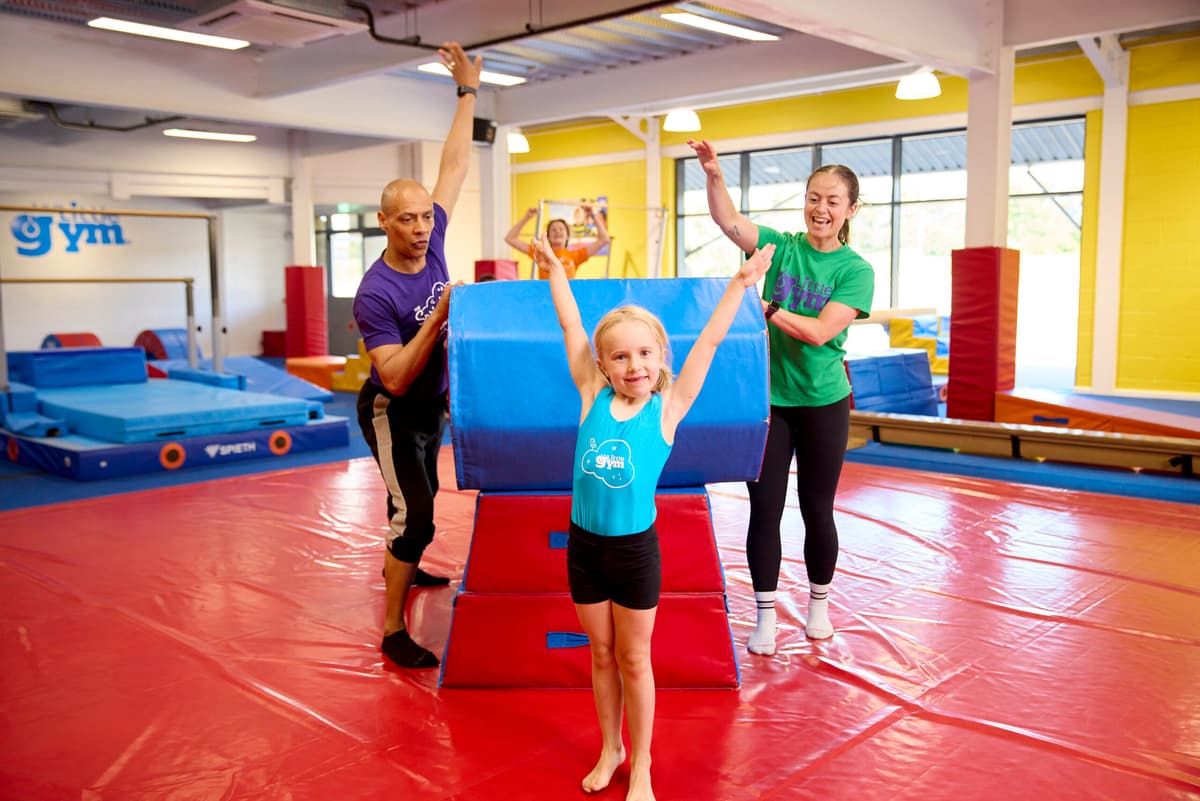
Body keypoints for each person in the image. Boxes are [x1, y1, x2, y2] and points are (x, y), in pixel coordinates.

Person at [532, 235, 774, 800]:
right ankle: (610, 748)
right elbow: (570, 325)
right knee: (600, 654)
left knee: (633, 657)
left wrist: (740, 285)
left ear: (661, 356)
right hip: (584, 549)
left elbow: (710, 341)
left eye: (644, 353)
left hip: (634, 553)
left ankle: (640, 762)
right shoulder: (591, 394)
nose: (634, 365)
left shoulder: (668, 408)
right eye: (620, 356)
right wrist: (554, 270)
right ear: (602, 365)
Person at [687, 138, 874, 655]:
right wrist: (714, 175)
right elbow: (729, 223)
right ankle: (765, 615)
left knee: (817, 508)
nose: (821, 209)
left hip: (823, 402)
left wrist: (766, 306)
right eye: (814, 198)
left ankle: (819, 606)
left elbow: (818, 332)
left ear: (850, 209)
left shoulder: (855, 270)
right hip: (769, 403)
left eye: (833, 201)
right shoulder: (780, 247)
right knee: (764, 508)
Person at [352, 42, 481, 670]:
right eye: (408, 220)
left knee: (416, 497)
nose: (423, 228)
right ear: (384, 222)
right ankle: (390, 630)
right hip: (392, 409)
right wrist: (439, 316)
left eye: (427, 217)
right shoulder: (375, 293)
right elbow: (396, 377)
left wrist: (467, 92)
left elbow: (454, 163)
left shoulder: (435, 237)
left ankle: (408, 555)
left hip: (433, 406)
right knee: (418, 513)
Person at [505, 200, 610, 279]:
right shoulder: (540, 253)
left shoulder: (576, 255)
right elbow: (510, 238)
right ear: (547, 237)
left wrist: (592, 215)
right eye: (553, 229)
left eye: (561, 229)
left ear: (567, 236)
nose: (557, 232)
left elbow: (604, 239)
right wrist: (527, 217)